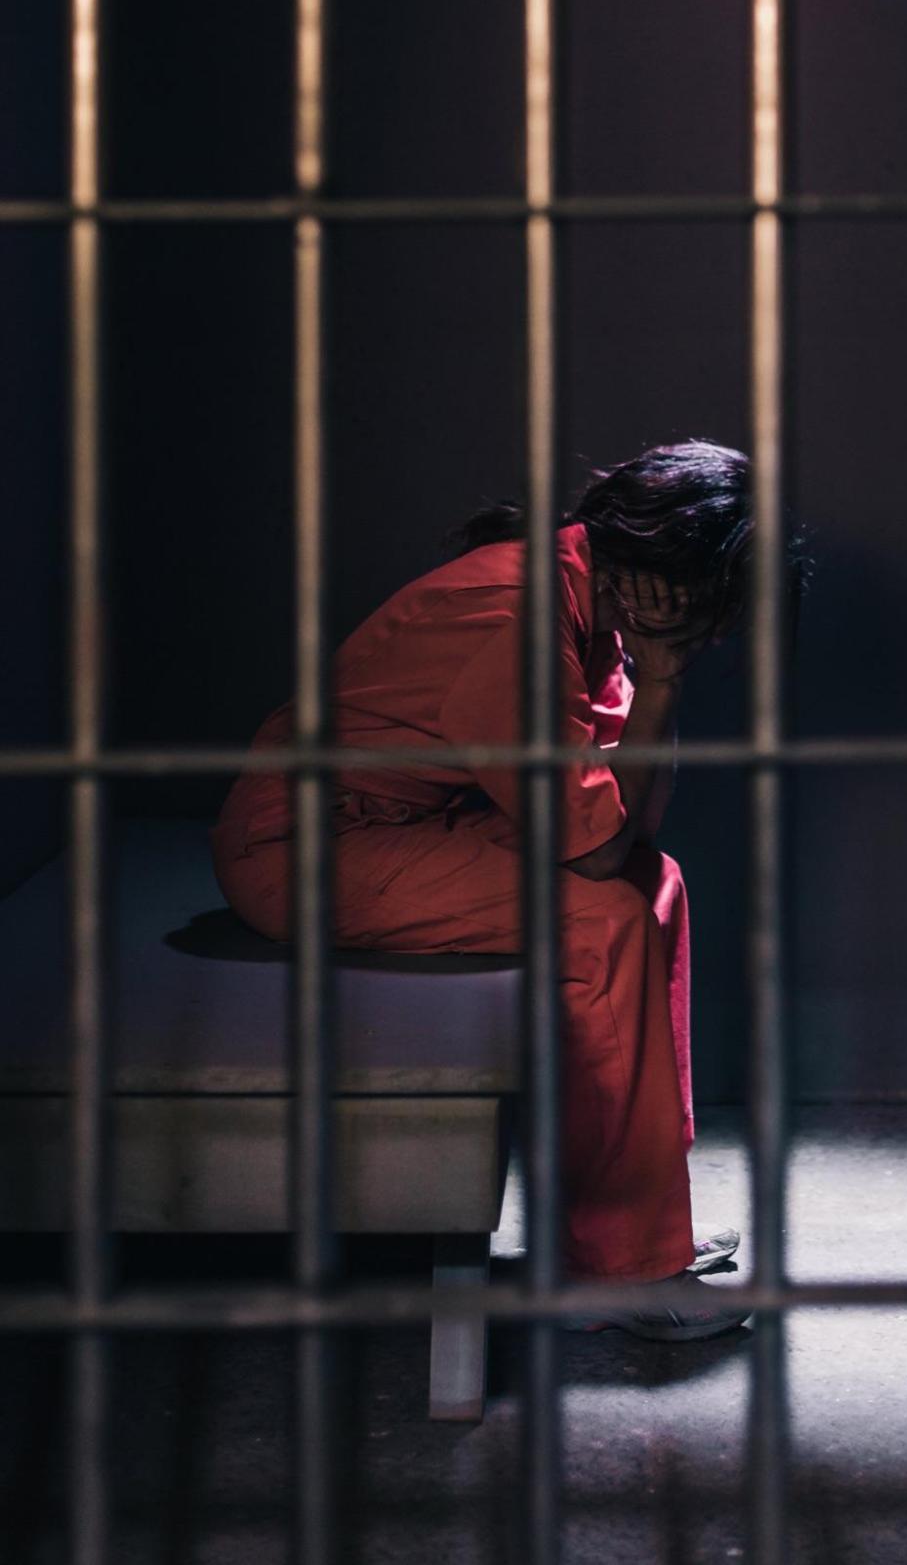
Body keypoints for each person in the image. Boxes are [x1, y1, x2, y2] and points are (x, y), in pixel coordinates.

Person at [209, 438, 810, 1343]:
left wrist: (656, 682)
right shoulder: (518, 615)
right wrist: (665, 681)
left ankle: (636, 1230)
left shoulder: (585, 597)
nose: (721, 630)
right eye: (720, 604)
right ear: (667, 570)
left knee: (659, 885)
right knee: (603, 915)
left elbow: (637, 829)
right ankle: (620, 1271)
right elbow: (597, 849)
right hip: (303, 845)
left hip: (404, 826)